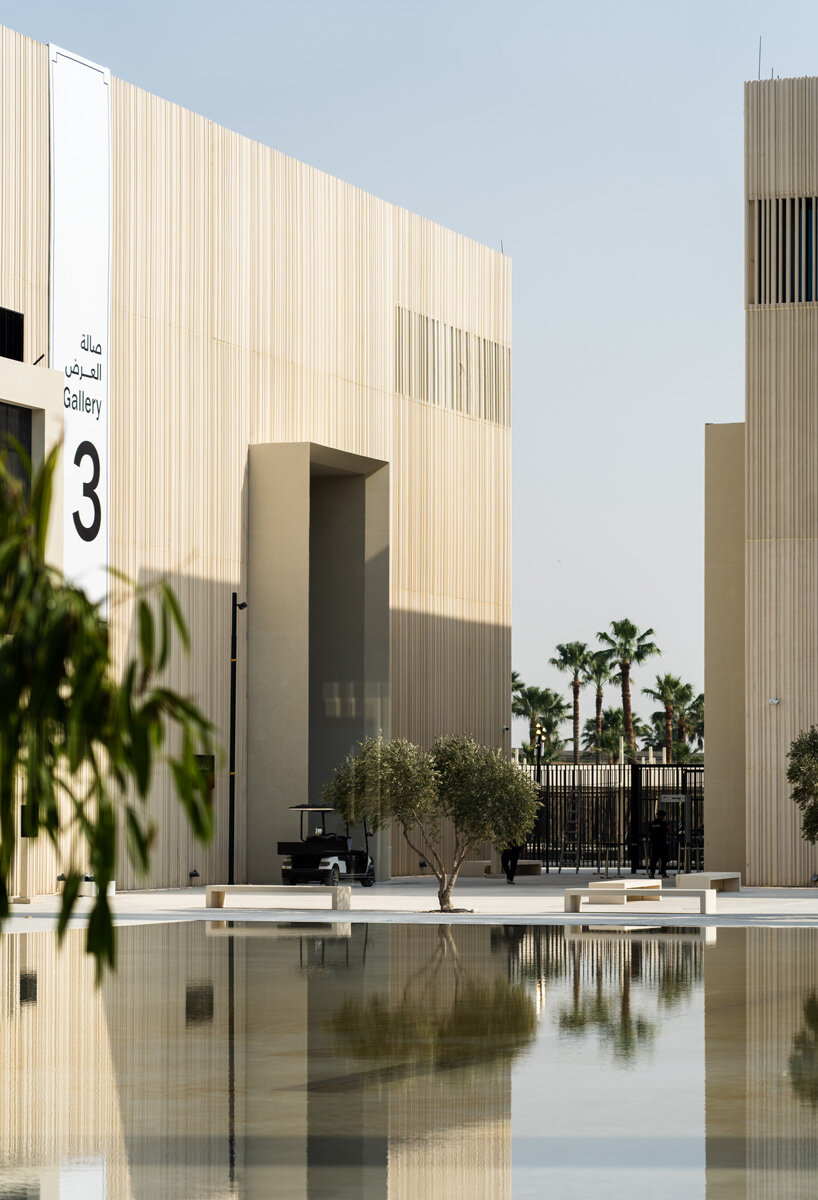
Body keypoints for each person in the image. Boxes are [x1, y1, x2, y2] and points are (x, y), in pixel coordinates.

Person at [647, 809, 669, 878]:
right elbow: (666, 832)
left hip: (655, 844)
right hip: (662, 843)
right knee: (663, 860)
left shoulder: (652, 824)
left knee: (654, 859)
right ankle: (663, 873)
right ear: (662, 816)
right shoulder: (663, 824)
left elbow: (649, 832)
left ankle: (652, 872)